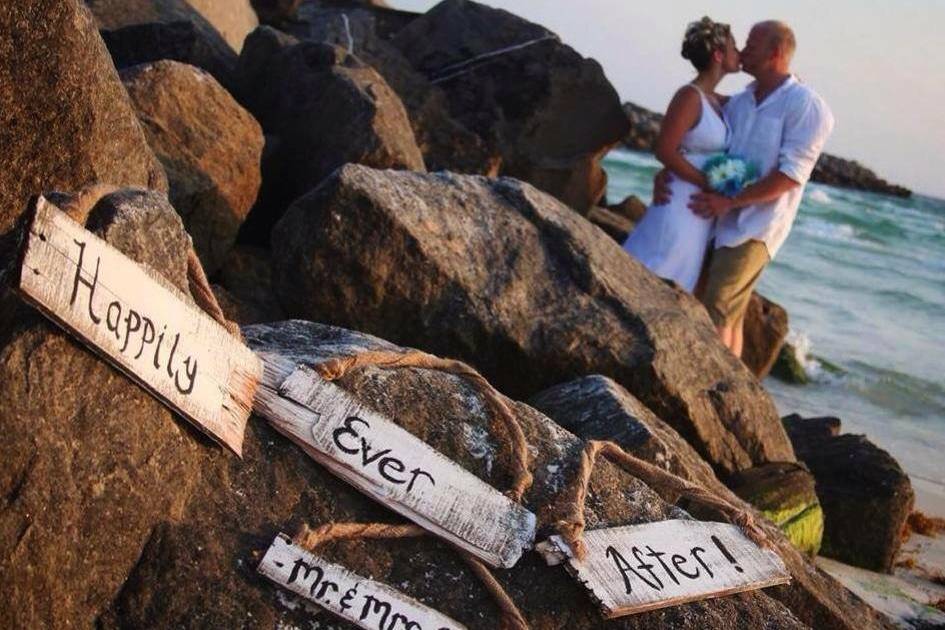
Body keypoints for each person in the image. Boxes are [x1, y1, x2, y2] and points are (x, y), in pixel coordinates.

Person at [655, 20, 835, 358]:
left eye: (752, 44)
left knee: (718, 305)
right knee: (724, 311)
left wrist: (730, 201)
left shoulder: (805, 104)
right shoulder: (742, 100)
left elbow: (791, 175)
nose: (744, 50)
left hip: (757, 225)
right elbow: (698, 129)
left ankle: (717, 389)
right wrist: (668, 169)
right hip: (719, 219)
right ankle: (729, 394)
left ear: (776, 52)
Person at [623, 17, 740, 293]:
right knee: (656, 266)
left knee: (678, 278)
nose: (740, 53)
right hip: (680, 201)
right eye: (734, 47)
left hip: (699, 209)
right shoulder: (689, 97)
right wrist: (707, 183)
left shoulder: (720, 102)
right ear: (719, 55)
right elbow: (664, 149)